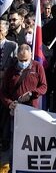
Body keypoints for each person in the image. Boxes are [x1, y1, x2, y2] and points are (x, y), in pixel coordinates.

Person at [0, 44, 47, 154]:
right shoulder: (11, 70)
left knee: (32, 139)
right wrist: (9, 103)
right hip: (15, 112)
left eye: (25, 59)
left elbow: (44, 87)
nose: (23, 62)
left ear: (31, 55)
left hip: (32, 111)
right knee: (15, 141)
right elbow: (3, 92)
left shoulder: (37, 67)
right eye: (20, 60)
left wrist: (32, 93)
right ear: (17, 56)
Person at [0, 21, 17, 151]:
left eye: (0, 30)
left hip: (5, 86)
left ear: (5, 32)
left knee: (5, 114)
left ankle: (4, 140)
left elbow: (15, 65)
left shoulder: (12, 46)